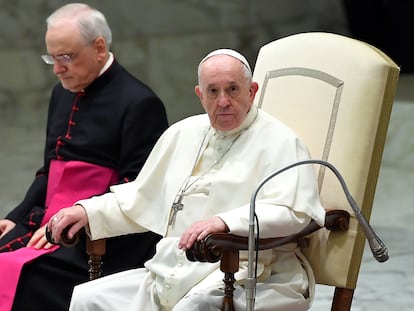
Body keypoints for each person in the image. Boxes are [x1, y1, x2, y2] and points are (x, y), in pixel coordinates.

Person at [50, 48, 326, 311]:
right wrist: (87, 210)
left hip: (255, 276)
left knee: (195, 307)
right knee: (90, 298)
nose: (223, 102)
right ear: (200, 95)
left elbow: (294, 213)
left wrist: (225, 223)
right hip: (172, 273)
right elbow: (140, 199)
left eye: (232, 89)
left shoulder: (281, 141)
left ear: (252, 91)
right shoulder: (181, 134)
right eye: (213, 91)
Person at [0, 3, 168, 311]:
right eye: (52, 56)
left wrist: (73, 222)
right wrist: (16, 216)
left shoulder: (140, 103)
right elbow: (49, 170)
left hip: (100, 236)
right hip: (48, 218)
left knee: (26, 275)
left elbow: (139, 189)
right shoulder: (60, 92)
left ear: (99, 48)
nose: (57, 68)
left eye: (66, 57)